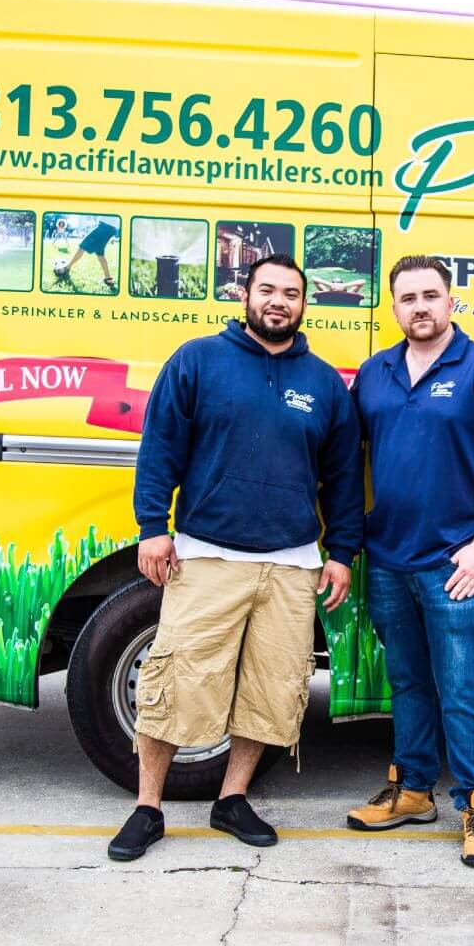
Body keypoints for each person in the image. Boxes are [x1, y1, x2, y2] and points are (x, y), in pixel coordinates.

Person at [108, 253, 363, 861]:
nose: (279, 301)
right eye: (267, 289)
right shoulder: (197, 361)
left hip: (294, 564)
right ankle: (147, 808)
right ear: (244, 295)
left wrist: (342, 551)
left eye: (292, 293)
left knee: (272, 691)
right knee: (175, 682)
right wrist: (153, 528)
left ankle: (233, 798)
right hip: (207, 557)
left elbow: (344, 477)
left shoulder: (323, 383)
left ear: (305, 305)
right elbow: (160, 447)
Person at [345, 255, 474, 869]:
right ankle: (412, 789)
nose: (420, 307)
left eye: (431, 295)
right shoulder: (373, 375)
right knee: (407, 682)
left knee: (464, 688)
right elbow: (348, 461)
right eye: (407, 298)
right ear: (394, 307)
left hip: (458, 564)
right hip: (391, 559)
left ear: (451, 302)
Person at [55, 218, 118, 290]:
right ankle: (108, 279)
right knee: (100, 253)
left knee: (83, 245)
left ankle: (67, 268)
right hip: (109, 228)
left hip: (105, 226)